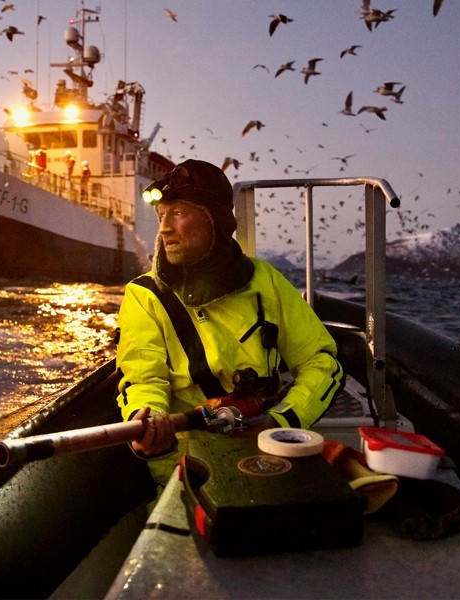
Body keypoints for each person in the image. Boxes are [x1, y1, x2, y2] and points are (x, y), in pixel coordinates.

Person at [115, 159, 345, 484]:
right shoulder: (145, 295)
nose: (164, 227)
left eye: (178, 214)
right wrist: (149, 419)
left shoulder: (266, 281)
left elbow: (322, 362)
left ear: (215, 221)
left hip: (272, 456)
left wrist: (281, 422)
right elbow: (142, 381)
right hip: (189, 472)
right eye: (161, 215)